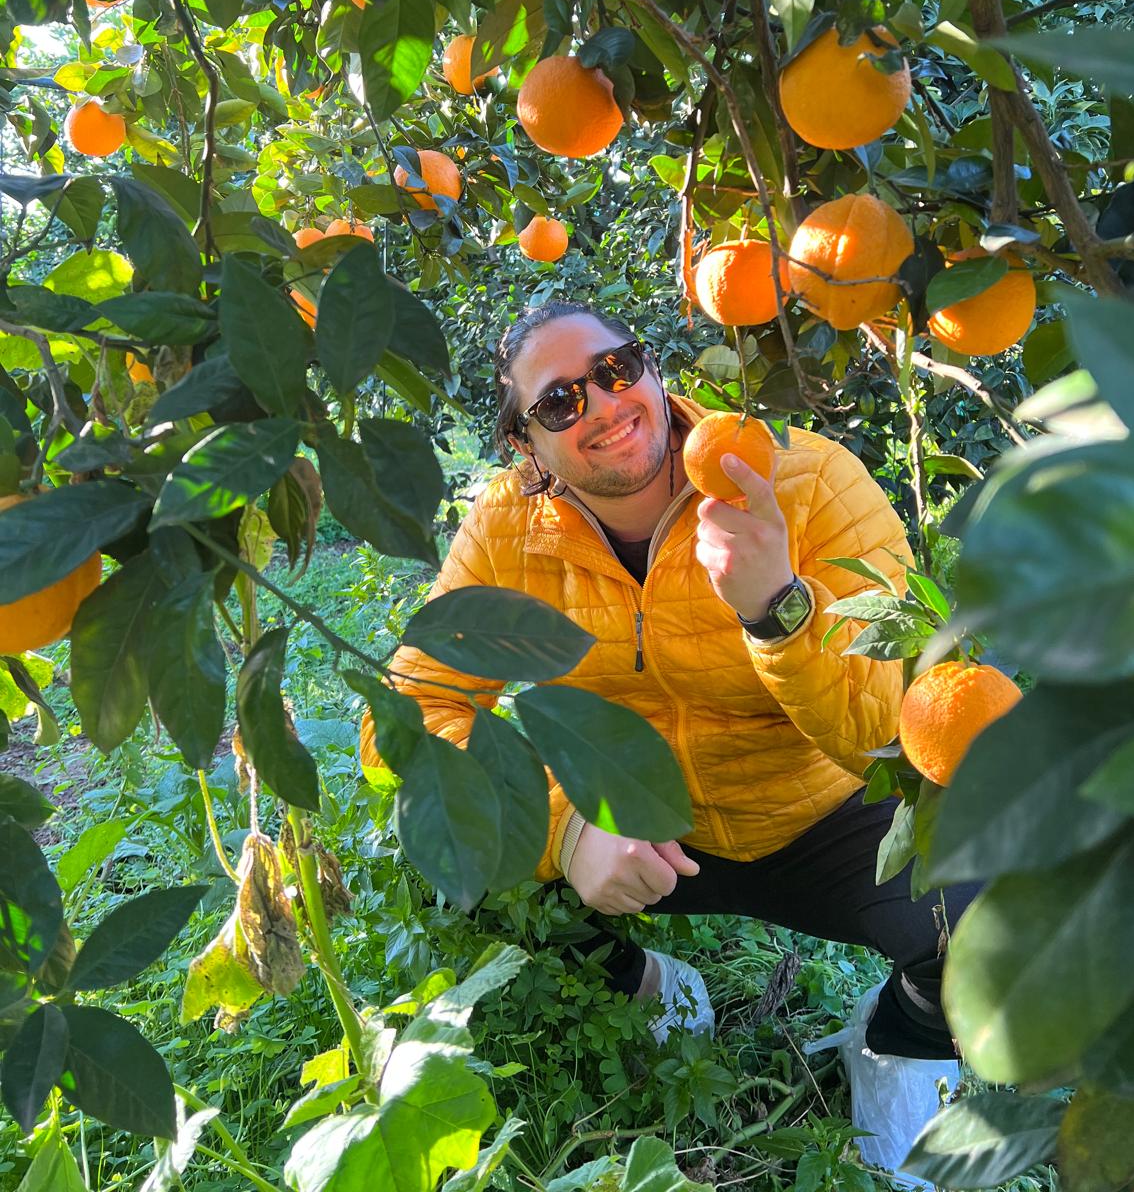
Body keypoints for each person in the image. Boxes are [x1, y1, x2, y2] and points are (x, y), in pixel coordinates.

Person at [361, 301, 978, 1185]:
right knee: (465, 865)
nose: (604, 406)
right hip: (644, 824)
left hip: (822, 811)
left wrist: (777, 610)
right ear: (525, 445)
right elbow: (406, 718)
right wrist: (564, 828)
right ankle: (648, 989)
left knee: (977, 918)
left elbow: (888, 729)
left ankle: (893, 1043)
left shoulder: (808, 482)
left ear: (651, 371)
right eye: (561, 402)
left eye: (616, 370)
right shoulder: (507, 529)